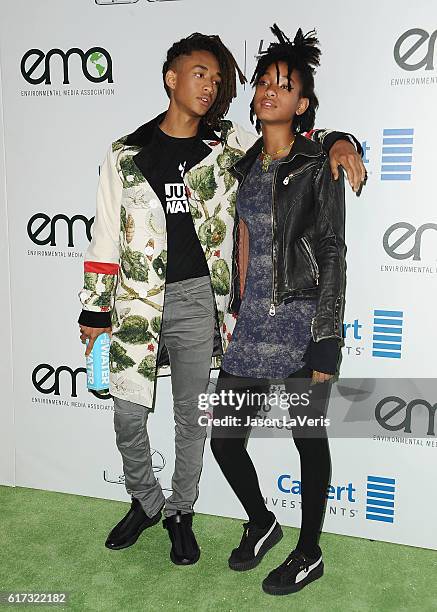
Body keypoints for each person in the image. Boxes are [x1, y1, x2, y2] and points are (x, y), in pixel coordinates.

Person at [78, 31, 364, 567]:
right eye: (200, 73)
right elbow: (104, 235)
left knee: (206, 421)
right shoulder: (131, 153)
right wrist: (95, 306)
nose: (211, 86)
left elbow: (300, 146)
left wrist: (342, 139)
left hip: (223, 307)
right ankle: (151, 502)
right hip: (150, 304)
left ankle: (195, 518)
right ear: (172, 77)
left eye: (217, 77)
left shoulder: (226, 150)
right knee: (139, 418)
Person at [210, 25, 346, 594]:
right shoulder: (243, 163)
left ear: (302, 103)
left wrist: (327, 338)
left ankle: (310, 551)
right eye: (263, 81)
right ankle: (263, 521)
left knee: (308, 441)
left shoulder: (320, 164)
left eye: (283, 85)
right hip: (252, 325)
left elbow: (334, 250)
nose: (270, 90)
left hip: (302, 319)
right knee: (223, 438)